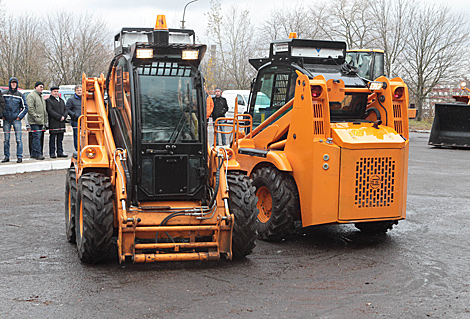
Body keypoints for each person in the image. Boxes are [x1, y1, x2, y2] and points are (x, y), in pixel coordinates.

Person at [2, 77, 28, 163]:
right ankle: (6, 156)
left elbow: (25, 107)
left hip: (16, 120)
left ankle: (19, 157)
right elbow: (0, 105)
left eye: (15, 83)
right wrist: (2, 115)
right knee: (6, 140)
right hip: (6, 119)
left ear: (16, 84)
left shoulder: (20, 95)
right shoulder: (4, 94)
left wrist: (19, 117)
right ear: (10, 84)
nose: (13, 84)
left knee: (18, 140)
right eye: (12, 83)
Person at [26, 81, 48, 160]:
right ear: (36, 87)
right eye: (40, 87)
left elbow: (44, 110)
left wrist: (44, 120)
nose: (42, 88)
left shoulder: (41, 96)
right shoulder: (31, 96)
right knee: (36, 137)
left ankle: (34, 153)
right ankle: (38, 154)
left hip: (41, 121)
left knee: (38, 137)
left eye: (42, 87)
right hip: (34, 121)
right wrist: (36, 117)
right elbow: (30, 108)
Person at [46, 87, 68, 158]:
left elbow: (66, 110)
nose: (56, 93)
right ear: (51, 92)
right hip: (53, 122)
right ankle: (52, 153)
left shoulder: (61, 100)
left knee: (60, 139)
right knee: (52, 139)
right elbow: (50, 111)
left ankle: (60, 152)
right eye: (54, 91)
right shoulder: (49, 101)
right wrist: (59, 117)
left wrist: (64, 116)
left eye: (57, 91)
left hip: (61, 123)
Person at [66, 85, 82, 151]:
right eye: (78, 90)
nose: (79, 92)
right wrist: (74, 115)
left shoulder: (85, 99)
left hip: (84, 119)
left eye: (80, 90)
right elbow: (67, 109)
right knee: (76, 135)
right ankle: (77, 149)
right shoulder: (71, 100)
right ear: (75, 91)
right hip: (75, 120)